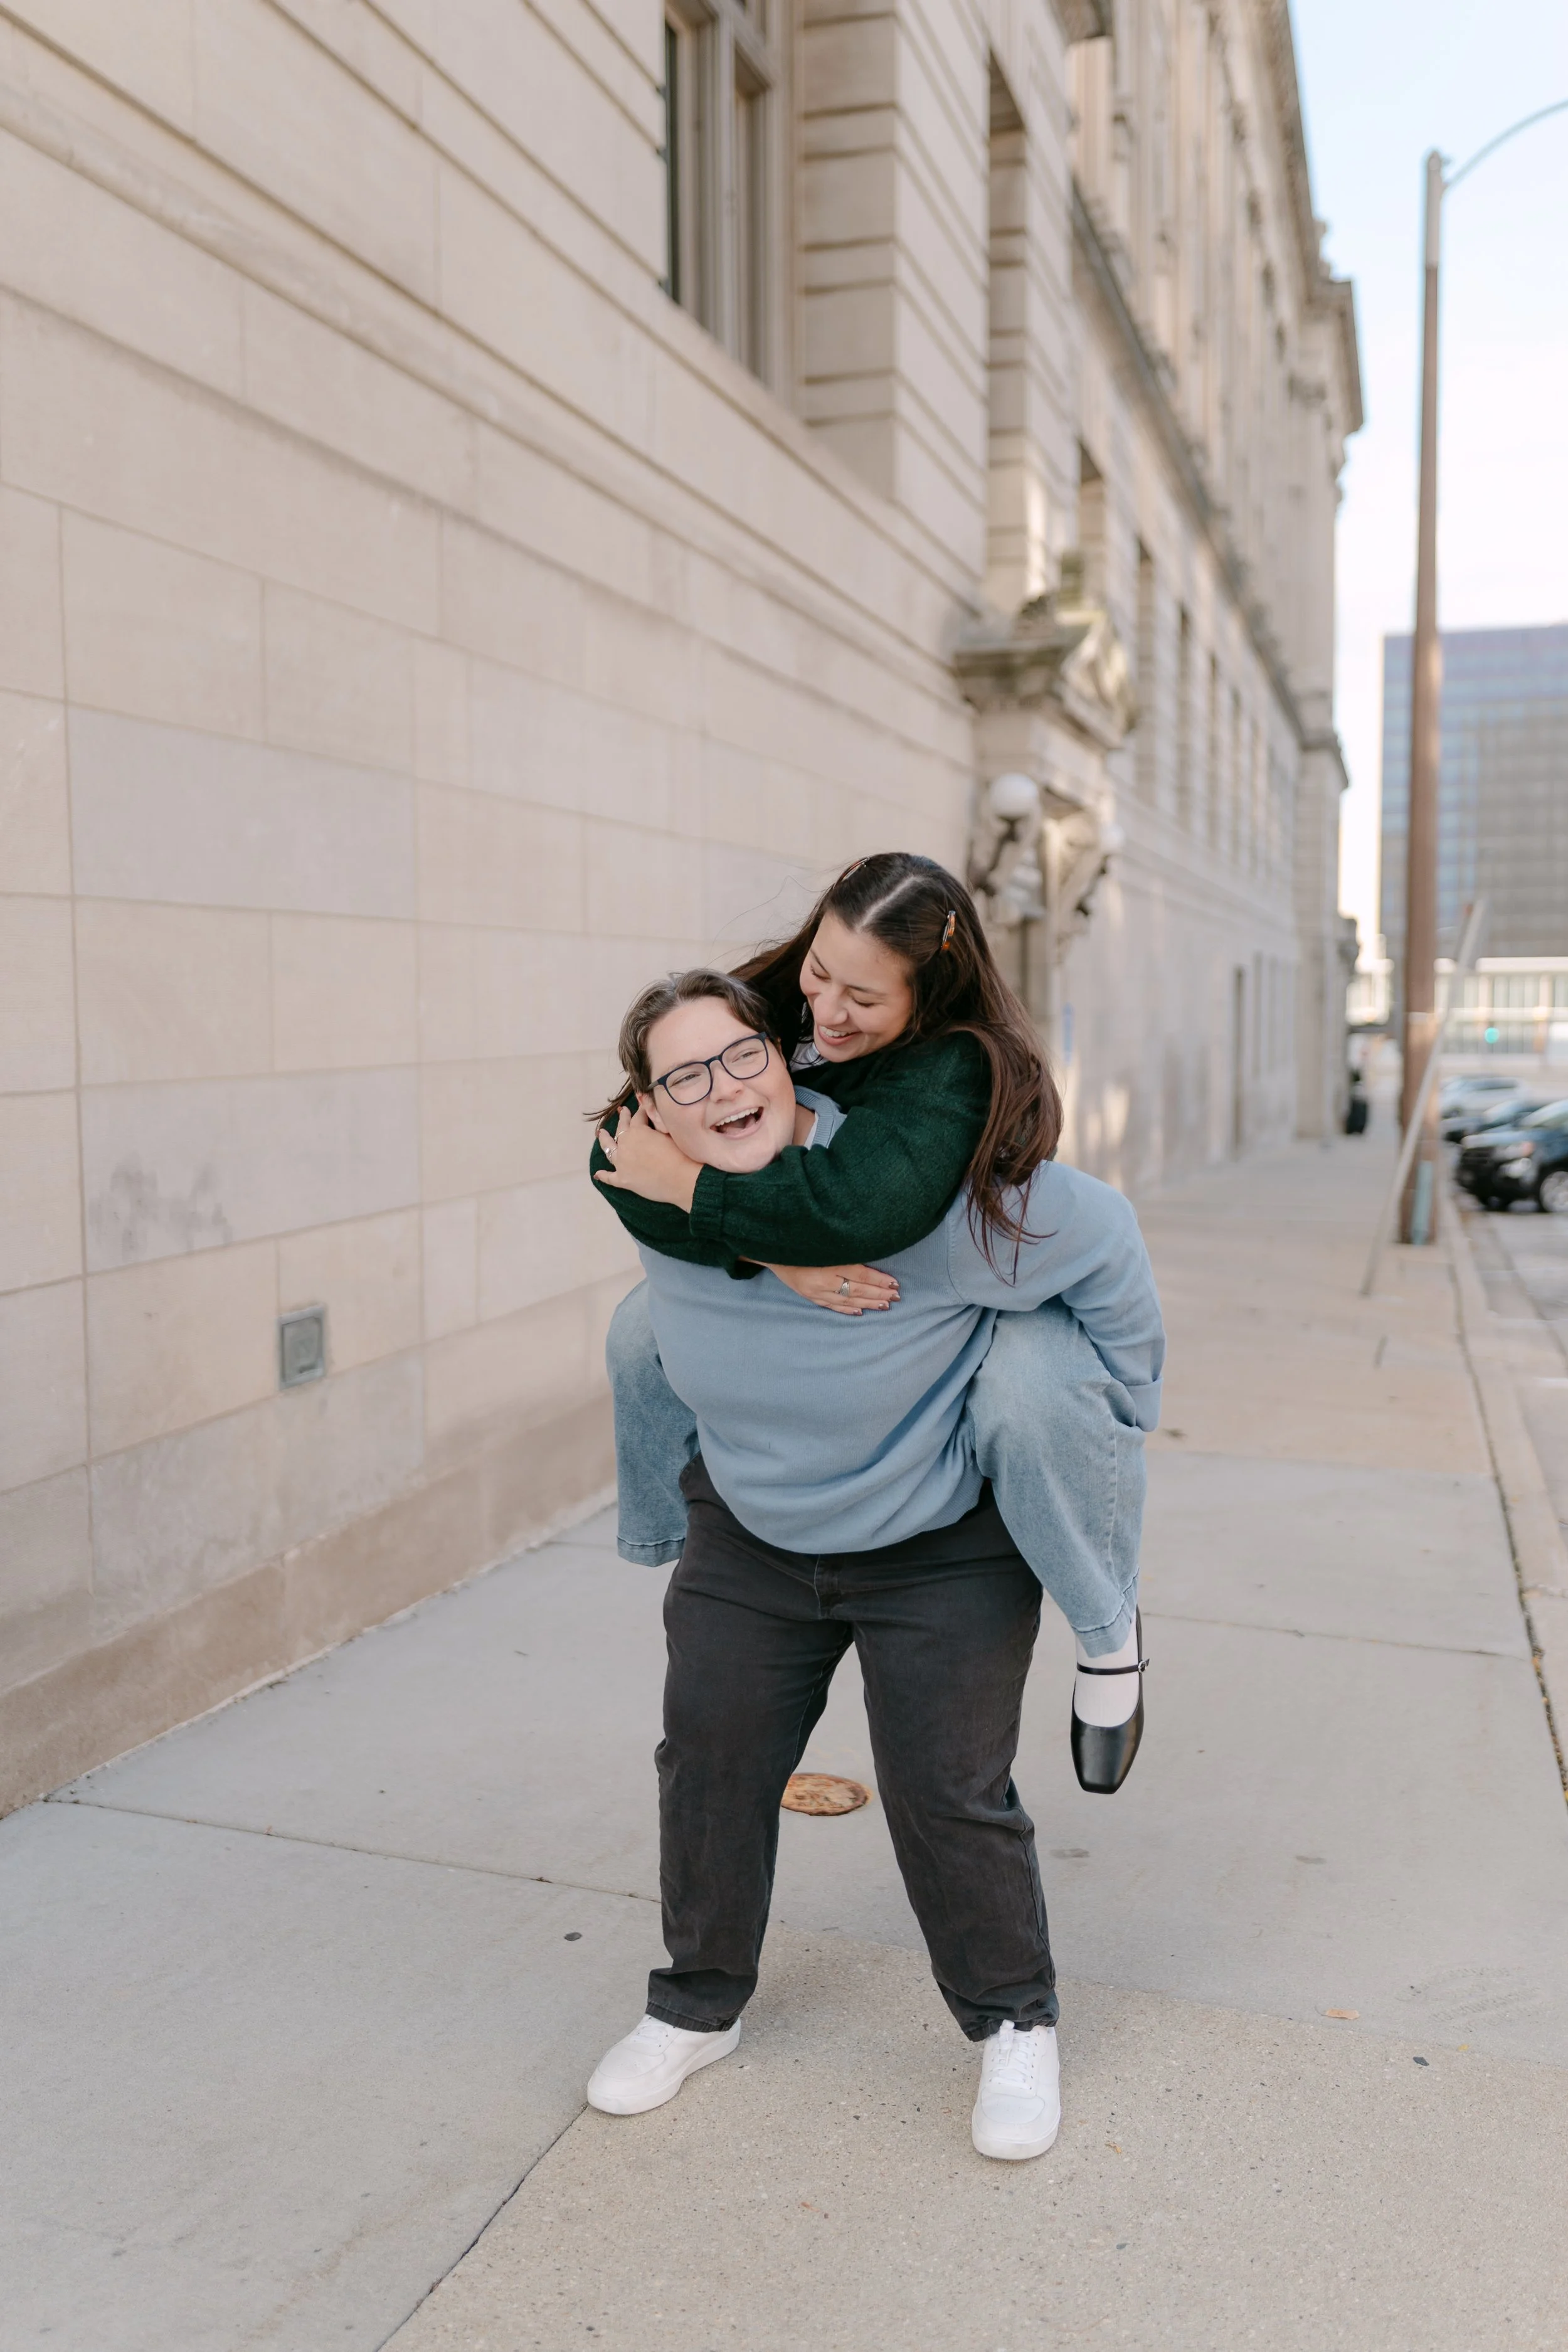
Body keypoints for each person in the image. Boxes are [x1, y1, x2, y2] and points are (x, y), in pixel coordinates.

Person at [583, 961, 1163, 2162]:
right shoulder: (657, 1196)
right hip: (755, 1527)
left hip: (938, 1540)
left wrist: (1116, 1405)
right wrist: (767, 1249)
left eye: (740, 1054)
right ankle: (696, 2003)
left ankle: (1013, 2017)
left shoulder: (908, 1196)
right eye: (682, 1075)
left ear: (784, 1057)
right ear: (650, 1115)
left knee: (944, 1789)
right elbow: (635, 1199)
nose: (721, 1086)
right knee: (708, 1756)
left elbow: (1100, 1233)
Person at [593, 854, 1153, 1786]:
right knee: (640, 1332)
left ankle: (1109, 1627)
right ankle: (672, 1529)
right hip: (822, 1256)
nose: (824, 1010)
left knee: (1030, 1397)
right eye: (820, 970)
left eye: (863, 996)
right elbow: (619, 1152)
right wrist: (775, 1254)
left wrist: (1129, 1405)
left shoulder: (954, 1068)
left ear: (925, 998)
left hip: (979, 1277)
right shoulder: (773, 1004)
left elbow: (864, 1212)